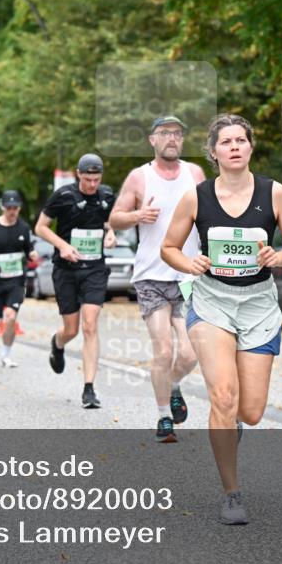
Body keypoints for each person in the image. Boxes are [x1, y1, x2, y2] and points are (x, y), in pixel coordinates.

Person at [161, 114, 282, 525]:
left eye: (241, 140)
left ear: (250, 147)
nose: (235, 146)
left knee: (252, 410)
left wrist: (279, 256)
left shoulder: (274, 193)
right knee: (223, 397)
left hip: (259, 305)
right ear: (213, 152)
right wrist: (190, 262)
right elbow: (169, 247)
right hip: (212, 303)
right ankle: (231, 493)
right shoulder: (196, 196)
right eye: (226, 141)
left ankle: (230, 424)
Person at [109, 115, 206, 442]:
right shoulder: (139, 177)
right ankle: (164, 416)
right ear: (152, 140)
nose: (172, 139)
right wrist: (138, 215)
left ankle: (174, 384)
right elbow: (115, 219)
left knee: (191, 353)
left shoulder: (195, 174)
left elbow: (209, 214)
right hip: (151, 275)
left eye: (178, 133)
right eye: (165, 133)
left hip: (187, 274)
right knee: (163, 351)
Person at [35, 154, 117, 409]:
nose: (92, 185)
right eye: (87, 179)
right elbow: (41, 227)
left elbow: (109, 222)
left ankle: (89, 388)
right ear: (78, 174)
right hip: (67, 270)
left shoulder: (107, 196)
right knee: (71, 329)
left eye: (96, 179)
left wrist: (111, 233)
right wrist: (62, 246)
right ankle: (57, 344)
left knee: (90, 325)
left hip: (94, 268)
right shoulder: (63, 196)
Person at [0, 190, 38, 368]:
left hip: (16, 280)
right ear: (3, 207)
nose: (12, 211)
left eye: (15, 208)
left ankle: (6, 355)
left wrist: (32, 254)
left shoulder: (24, 228)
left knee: (10, 317)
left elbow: (28, 248)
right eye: (9, 207)